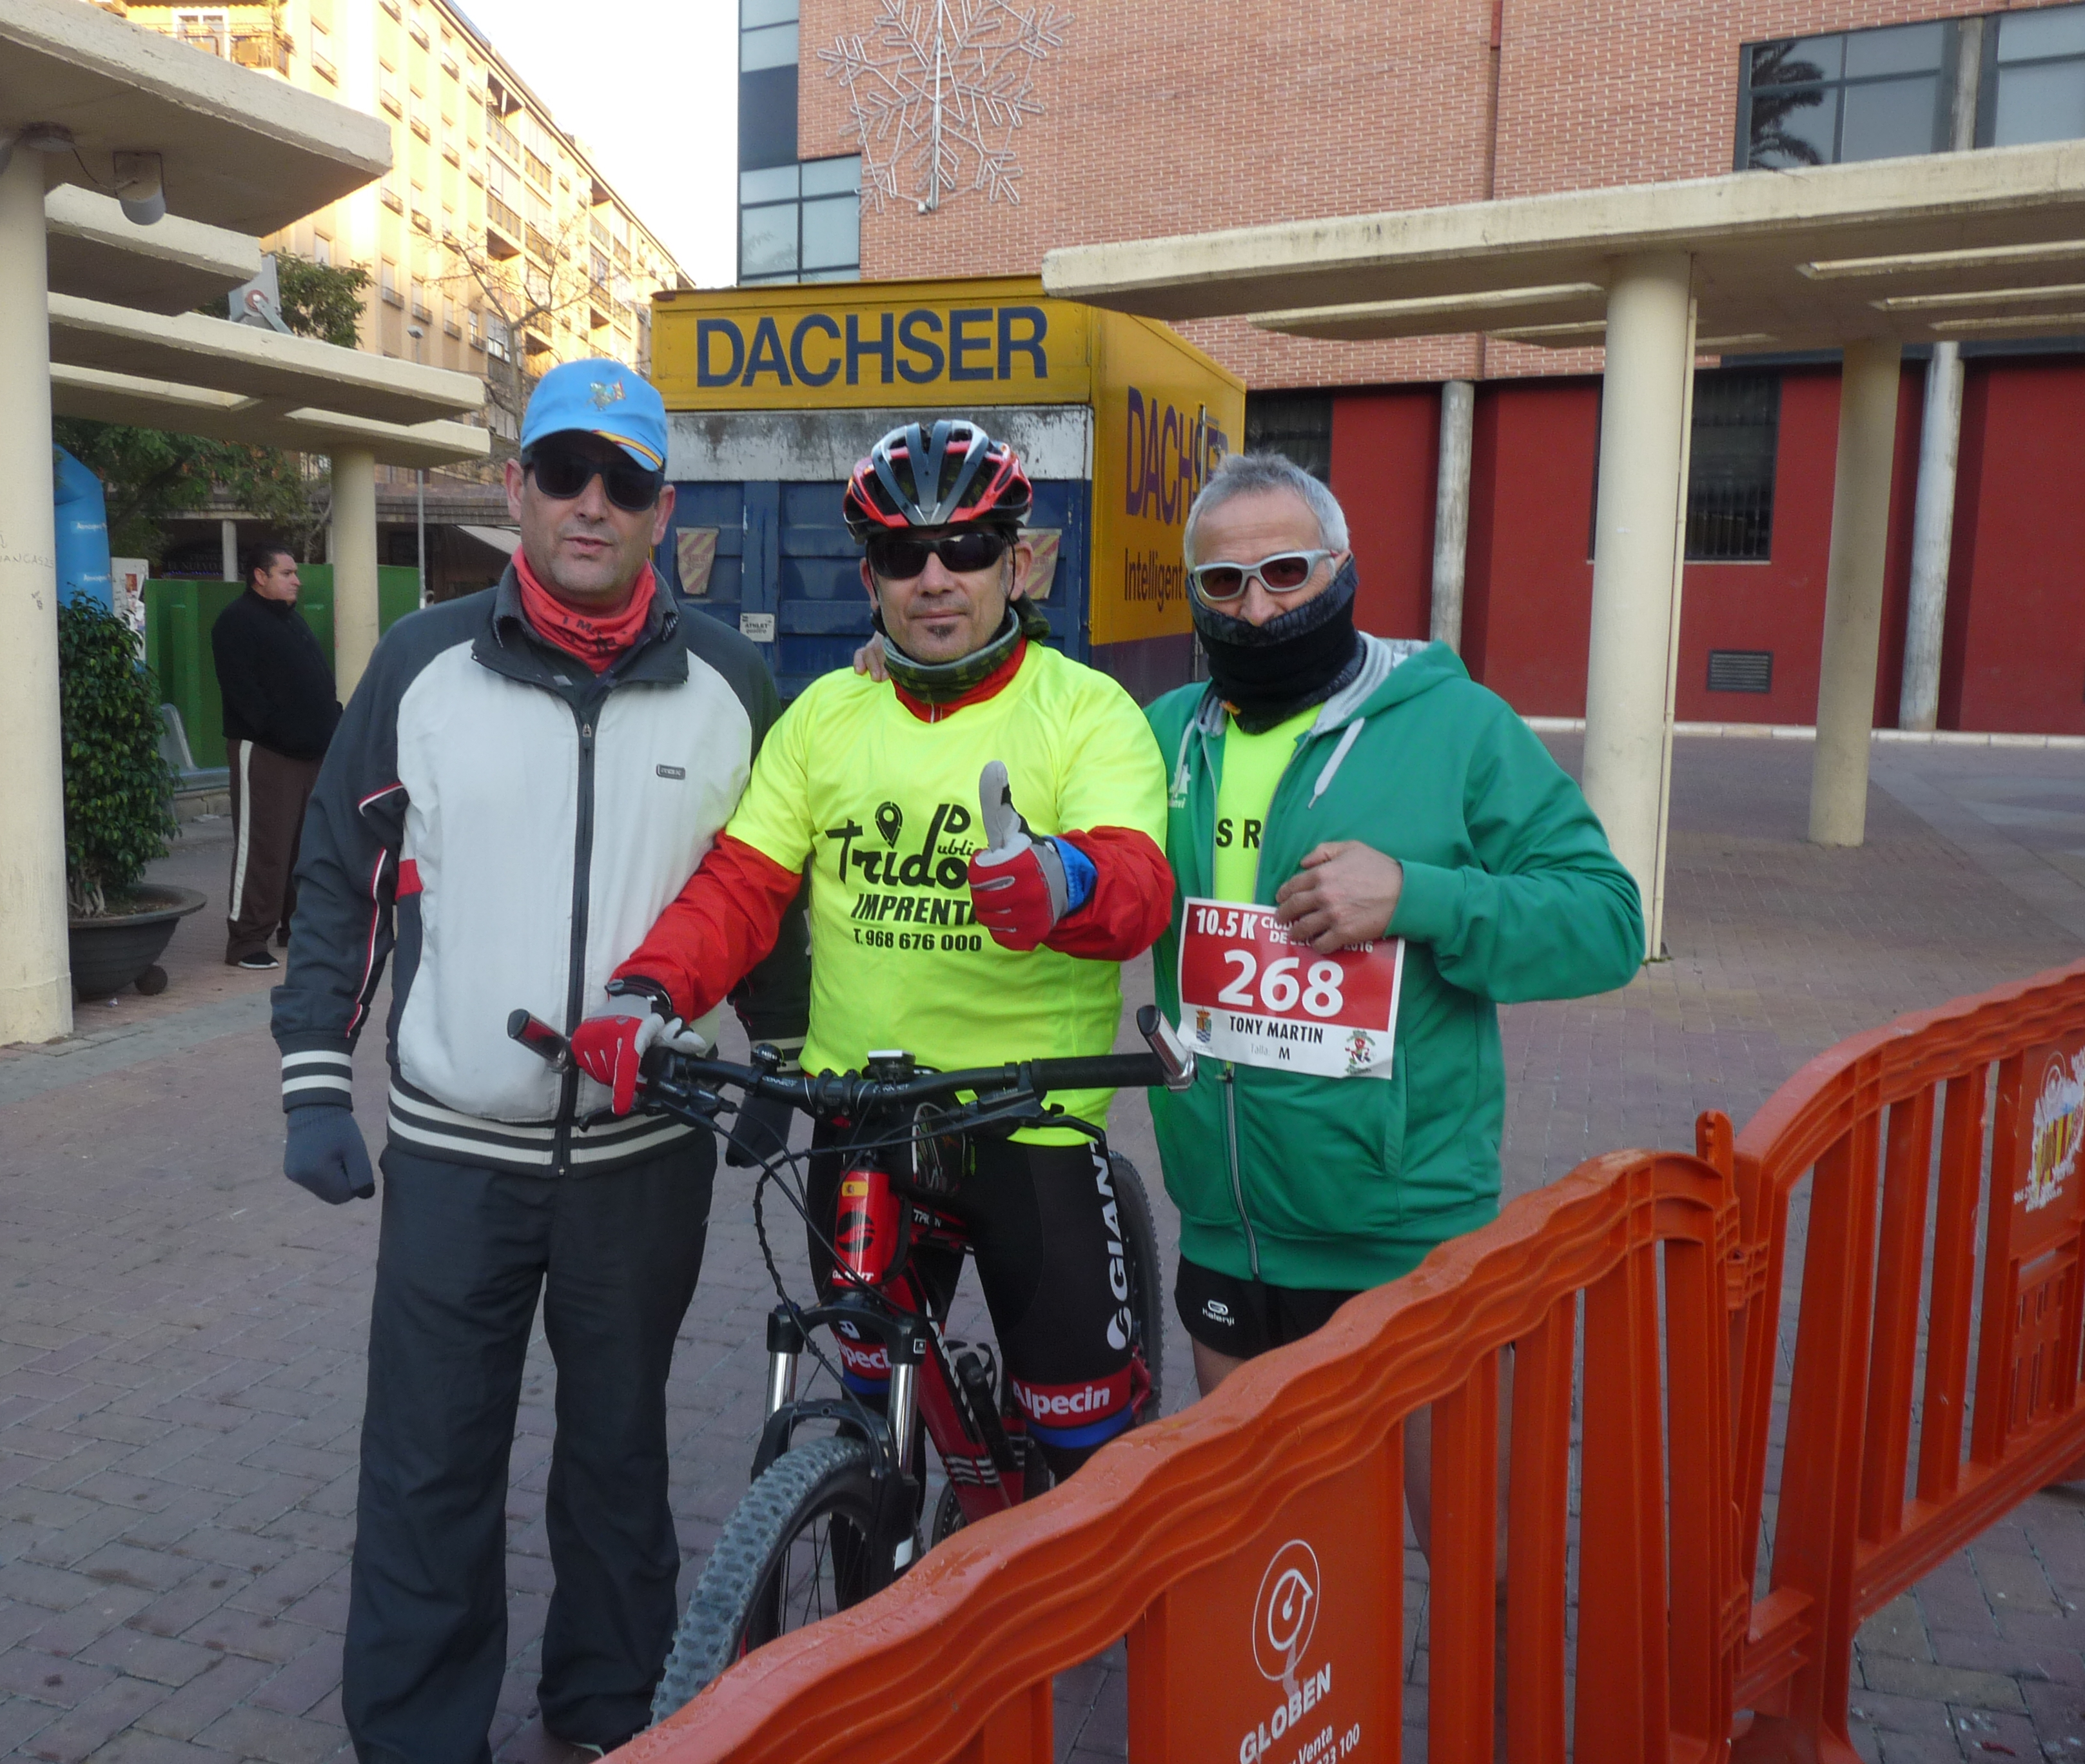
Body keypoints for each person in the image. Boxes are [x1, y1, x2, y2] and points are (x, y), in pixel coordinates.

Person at [269, 360, 807, 1764]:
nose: (591, 503)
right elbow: (339, 874)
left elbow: (769, 884)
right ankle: (418, 1737)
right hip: (457, 1154)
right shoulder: (419, 664)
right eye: (565, 472)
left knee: (619, 1457)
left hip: (644, 1155)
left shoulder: (733, 683)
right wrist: (315, 1072)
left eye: (625, 482)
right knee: (430, 1460)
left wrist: (781, 1050)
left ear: (663, 509)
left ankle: (608, 1713)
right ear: (516, 490)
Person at [572, 419, 1176, 1485]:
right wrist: (646, 991)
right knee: (865, 1416)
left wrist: (1062, 879)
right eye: (904, 555)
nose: (935, 578)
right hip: (861, 1120)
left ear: (1016, 565)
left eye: (967, 549)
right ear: (871, 578)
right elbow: (743, 886)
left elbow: (1138, 886)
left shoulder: (1087, 711)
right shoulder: (825, 716)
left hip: (1029, 1121)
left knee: (1082, 1446)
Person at [1144, 451, 1641, 1478]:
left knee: (1462, 1539)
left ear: (1342, 567)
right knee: (1263, 1537)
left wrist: (1418, 896)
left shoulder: (1459, 728)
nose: (1256, 609)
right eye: (1223, 583)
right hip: (1226, 1226)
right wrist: (892, 669)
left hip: (1404, 1235)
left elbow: (1607, 921)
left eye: (1286, 573)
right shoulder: (1157, 736)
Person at [210, 544, 338, 970]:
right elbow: (242, 691)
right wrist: (278, 730)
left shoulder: (289, 619)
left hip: (310, 753)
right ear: (260, 576)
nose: (297, 580)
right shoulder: (237, 621)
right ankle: (247, 940)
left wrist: (329, 723)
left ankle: (296, 927)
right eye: (287, 573)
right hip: (267, 753)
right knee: (264, 847)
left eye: (295, 573)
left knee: (305, 848)